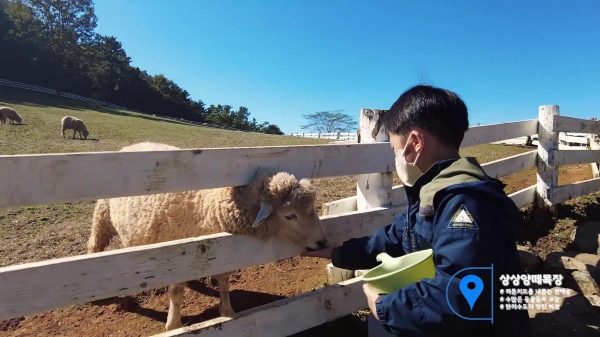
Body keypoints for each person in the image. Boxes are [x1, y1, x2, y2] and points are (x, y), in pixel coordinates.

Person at [302, 85, 532, 336]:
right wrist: (336, 253)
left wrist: (384, 307)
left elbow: (461, 293)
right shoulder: (435, 193)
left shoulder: (465, 204)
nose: (396, 158)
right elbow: (393, 238)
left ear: (415, 142)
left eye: (394, 150)